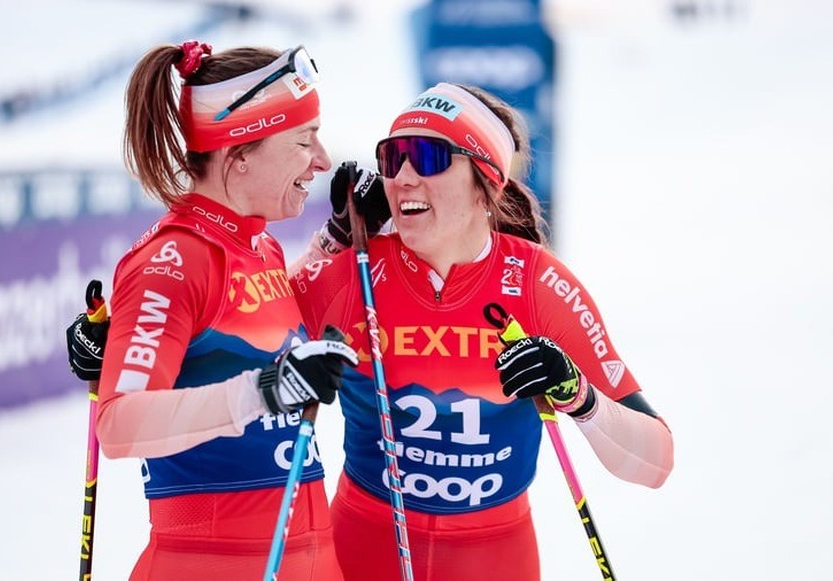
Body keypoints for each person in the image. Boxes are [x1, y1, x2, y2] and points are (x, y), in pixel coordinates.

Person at [289, 82, 675, 581]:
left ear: (485, 181)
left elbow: (654, 462)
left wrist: (578, 395)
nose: (403, 177)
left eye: (427, 157)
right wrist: (334, 239)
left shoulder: (538, 285)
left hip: (494, 557)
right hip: (363, 547)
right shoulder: (355, 274)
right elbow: (248, 338)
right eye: (391, 158)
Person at [66, 40, 360, 580]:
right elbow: (120, 424)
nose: (321, 160)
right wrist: (264, 391)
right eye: (303, 140)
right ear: (239, 153)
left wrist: (336, 239)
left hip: (308, 559)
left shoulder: (258, 245)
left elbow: (264, 321)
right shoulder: (174, 260)